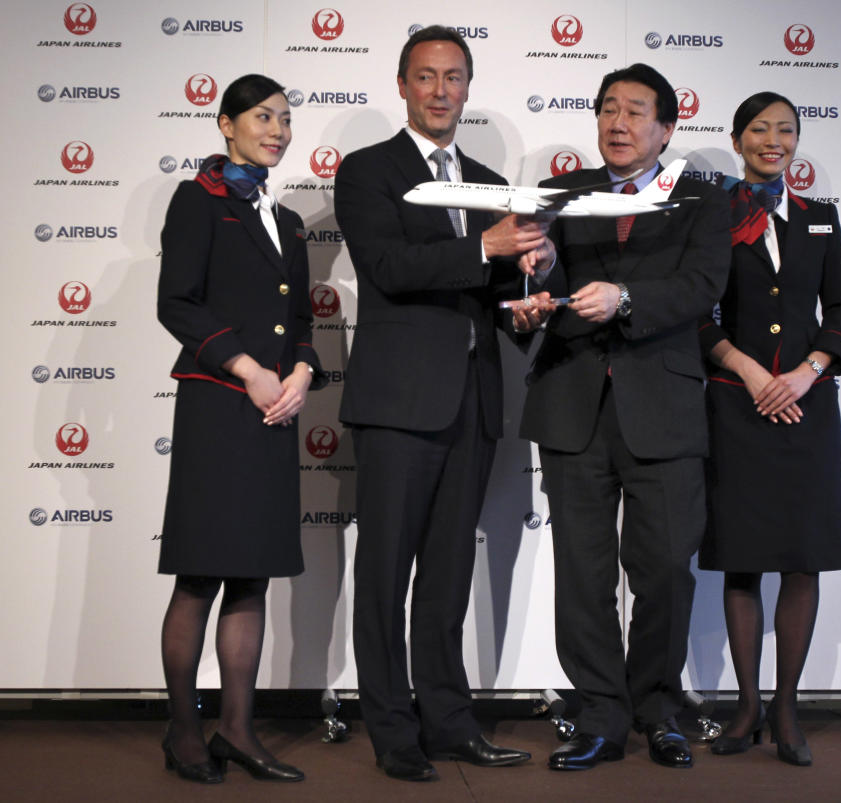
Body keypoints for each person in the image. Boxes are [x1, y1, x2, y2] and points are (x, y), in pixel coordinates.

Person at [333, 26, 550, 782]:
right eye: (425, 76)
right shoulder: (368, 171)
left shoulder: (490, 180)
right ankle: (393, 730)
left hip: (475, 403)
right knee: (386, 575)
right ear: (402, 85)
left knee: (449, 574)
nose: (439, 90)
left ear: (467, 87)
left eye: (453, 77)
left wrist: (524, 292)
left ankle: (450, 721)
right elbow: (387, 266)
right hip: (399, 404)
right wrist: (485, 250)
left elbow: (490, 287)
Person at [519, 64, 731, 770]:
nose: (619, 122)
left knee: (668, 567)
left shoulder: (700, 198)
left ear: (666, 127)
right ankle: (600, 715)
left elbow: (702, 285)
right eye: (608, 108)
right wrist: (535, 275)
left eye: (636, 111)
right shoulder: (561, 192)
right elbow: (529, 281)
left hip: (664, 405)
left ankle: (659, 709)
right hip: (571, 402)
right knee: (582, 573)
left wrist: (627, 298)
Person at [156, 73, 325, 784]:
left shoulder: (286, 221)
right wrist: (250, 368)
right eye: (263, 116)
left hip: (272, 412)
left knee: (251, 578)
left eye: (286, 118)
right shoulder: (199, 198)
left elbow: (305, 324)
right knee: (200, 575)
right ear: (226, 124)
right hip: (219, 406)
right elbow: (177, 304)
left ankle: (237, 729)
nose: (278, 129)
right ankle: (184, 729)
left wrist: (303, 373)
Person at [698, 92, 841, 766]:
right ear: (737, 140)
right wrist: (751, 372)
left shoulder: (820, 220)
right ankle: (745, 706)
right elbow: (698, 311)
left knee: (801, 556)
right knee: (742, 557)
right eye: (760, 129)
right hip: (737, 404)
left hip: (807, 406)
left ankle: (786, 706)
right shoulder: (713, 215)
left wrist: (808, 370)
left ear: (797, 141)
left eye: (786, 130)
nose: (774, 140)